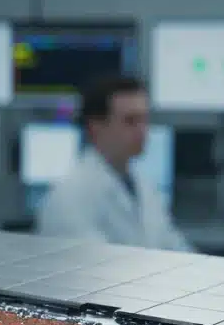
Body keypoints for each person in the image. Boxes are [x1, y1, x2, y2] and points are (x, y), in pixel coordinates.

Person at [37, 76, 192, 251]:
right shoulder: (69, 197)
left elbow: (175, 248)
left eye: (144, 119)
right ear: (95, 127)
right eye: (130, 121)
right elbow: (92, 270)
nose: (142, 130)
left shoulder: (144, 188)